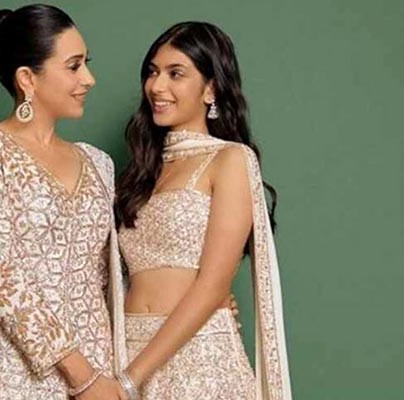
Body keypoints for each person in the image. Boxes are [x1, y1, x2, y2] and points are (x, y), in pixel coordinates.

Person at [0, 5, 126, 399]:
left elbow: (113, 271)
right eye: (74, 66)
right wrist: (81, 376)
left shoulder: (98, 163)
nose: (89, 79)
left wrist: (199, 294)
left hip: (98, 367)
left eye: (87, 64)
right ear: (27, 78)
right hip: (12, 369)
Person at [114, 22, 292, 399]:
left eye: (175, 73)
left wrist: (129, 380)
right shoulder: (137, 176)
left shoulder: (230, 160)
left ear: (210, 88)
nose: (157, 86)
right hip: (128, 347)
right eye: (153, 72)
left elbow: (212, 286)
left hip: (199, 358)